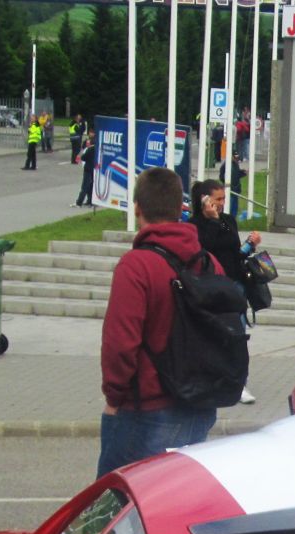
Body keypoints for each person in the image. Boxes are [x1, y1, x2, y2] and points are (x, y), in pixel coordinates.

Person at [98, 167, 228, 475]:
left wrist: (114, 397)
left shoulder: (136, 266)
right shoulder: (210, 263)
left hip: (145, 410)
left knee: (115, 512)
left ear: (138, 208)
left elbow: (120, 343)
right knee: (178, 505)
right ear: (179, 208)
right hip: (199, 406)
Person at [188, 178, 260, 404]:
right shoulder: (195, 225)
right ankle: (212, 378)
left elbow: (234, 251)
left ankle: (239, 382)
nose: (221, 203)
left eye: (223, 198)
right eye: (217, 199)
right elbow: (206, 246)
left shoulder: (228, 220)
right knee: (213, 335)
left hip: (233, 286)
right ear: (205, 200)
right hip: (210, 287)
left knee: (238, 334)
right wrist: (211, 220)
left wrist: (250, 245)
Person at [73, 133, 96, 208]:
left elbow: (83, 157)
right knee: (91, 185)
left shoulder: (90, 149)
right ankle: (90, 201)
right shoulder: (97, 149)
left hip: (88, 169)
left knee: (84, 186)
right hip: (94, 169)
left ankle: (79, 202)